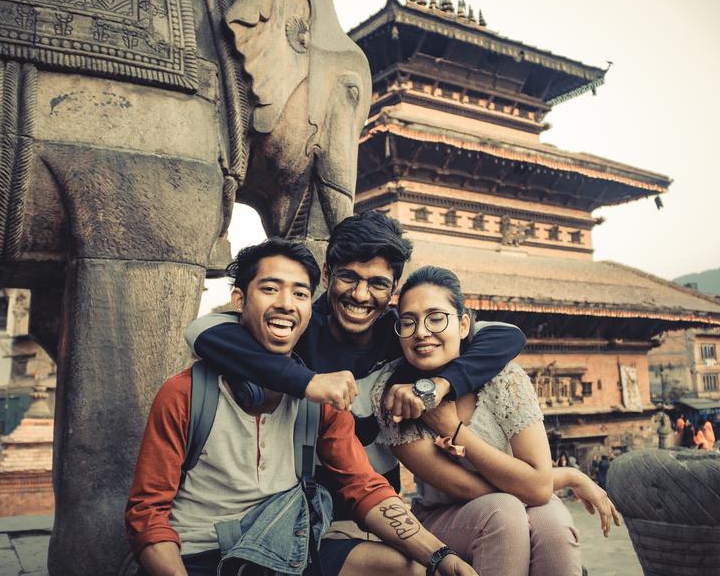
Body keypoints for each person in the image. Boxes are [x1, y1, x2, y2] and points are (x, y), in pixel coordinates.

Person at [126, 239, 476, 576]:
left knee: (413, 569)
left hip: (284, 549)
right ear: (239, 300)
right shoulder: (185, 393)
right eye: (269, 289)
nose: (286, 303)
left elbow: (364, 487)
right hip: (197, 556)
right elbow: (147, 514)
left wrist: (439, 555)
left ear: (311, 306)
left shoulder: (320, 400)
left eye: (300, 293)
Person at [186, 212, 526, 518]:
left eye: (378, 283)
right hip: (301, 507)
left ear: (393, 289)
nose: (361, 295)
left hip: (383, 507)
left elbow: (506, 335)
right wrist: (306, 381)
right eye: (349, 277)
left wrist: (439, 384)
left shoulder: (403, 335)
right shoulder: (299, 329)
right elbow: (202, 329)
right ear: (328, 274)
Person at [371, 266, 619, 576]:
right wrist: (561, 478)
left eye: (436, 318)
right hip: (445, 515)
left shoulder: (504, 378)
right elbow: (473, 489)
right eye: (409, 322)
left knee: (553, 524)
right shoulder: (393, 395)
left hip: (520, 499)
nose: (421, 332)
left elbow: (539, 489)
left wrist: (454, 430)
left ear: (463, 325)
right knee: (504, 512)